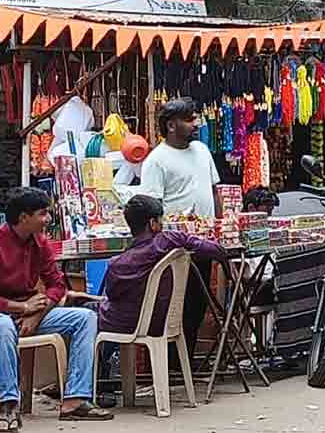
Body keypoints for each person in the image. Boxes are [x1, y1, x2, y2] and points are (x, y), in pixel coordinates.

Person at [0, 187, 114, 433]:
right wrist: (21, 307)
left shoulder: (40, 243)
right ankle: (9, 405)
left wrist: (36, 314)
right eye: (43, 214)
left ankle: (75, 399)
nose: (48, 219)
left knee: (86, 317)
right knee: (2, 326)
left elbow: (57, 285)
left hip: (28, 313)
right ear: (24, 217)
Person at [140, 98, 220, 362]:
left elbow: (214, 190)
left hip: (204, 242)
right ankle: (171, 362)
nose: (196, 124)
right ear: (172, 125)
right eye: (189, 120)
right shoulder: (156, 160)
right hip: (175, 247)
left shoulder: (202, 150)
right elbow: (152, 207)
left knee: (197, 302)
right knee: (174, 303)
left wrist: (220, 224)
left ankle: (186, 360)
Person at [97, 195, 228, 339]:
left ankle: (100, 361)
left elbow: (112, 295)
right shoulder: (168, 240)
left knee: (88, 314)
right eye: (161, 220)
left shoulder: (117, 264)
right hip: (163, 321)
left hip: (126, 325)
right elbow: (215, 250)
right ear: (153, 223)